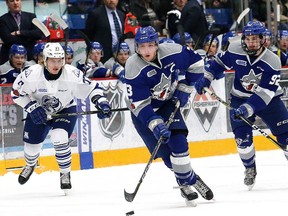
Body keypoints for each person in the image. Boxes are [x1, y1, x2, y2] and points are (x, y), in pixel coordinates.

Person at [124, 26, 214, 204]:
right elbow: (140, 104)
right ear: (137, 47)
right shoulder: (133, 66)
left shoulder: (173, 51)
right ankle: (190, 179)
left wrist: (186, 87)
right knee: (166, 155)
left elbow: (196, 63)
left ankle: (184, 182)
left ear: (157, 44)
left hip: (167, 104)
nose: (146, 50)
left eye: (150, 45)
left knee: (179, 142)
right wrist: (155, 124)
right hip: (143, 112)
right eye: (142, 46)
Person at [194, 21, 288, 190]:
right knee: (242, 140)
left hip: (270, 101)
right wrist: (206, 78)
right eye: (248, 38)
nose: (251, 42)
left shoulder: (273, 60)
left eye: (255, 39)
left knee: (286, 137)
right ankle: (250, 168)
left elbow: (265, 93)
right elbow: (217, 64)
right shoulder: (234, 49)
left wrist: (248, 108)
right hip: (239, 99)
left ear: (262, 40)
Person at [11, 42, 112, 191]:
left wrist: (102, 102)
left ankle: (65, 173)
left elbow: (93, 88)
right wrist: (31, 107)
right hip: (38, 109)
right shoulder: (30, 74)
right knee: (31, 149)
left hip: (65, 109)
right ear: (44, 60)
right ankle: (30, 164)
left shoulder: (72, 74)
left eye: (59, 60)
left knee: (59, 137)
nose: (56, 64)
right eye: (52, 60)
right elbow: (16, 94)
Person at [0, 0, 43, 64]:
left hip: (29, 57)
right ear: (7, 3)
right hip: (9, 59)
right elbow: (7, 39)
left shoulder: (31, 16)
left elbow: (38, 34)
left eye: (17, 0)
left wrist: (19, 33)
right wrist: (29, 38)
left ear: (20, 1)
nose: (15, 3)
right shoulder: (2, 19)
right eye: (12, 1)